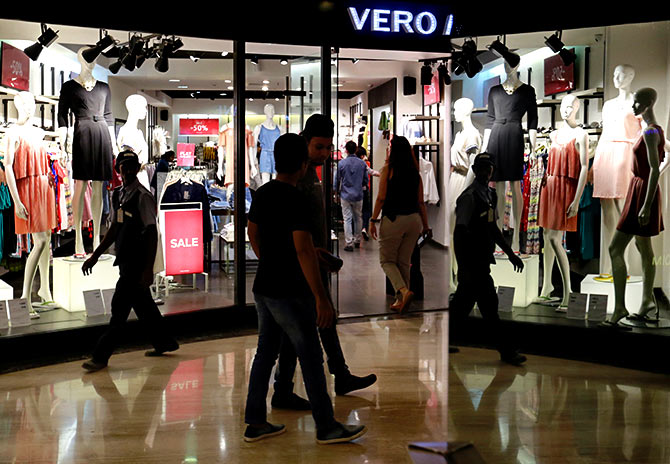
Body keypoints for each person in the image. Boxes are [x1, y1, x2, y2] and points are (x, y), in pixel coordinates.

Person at [244, 133, 367, 444]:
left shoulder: (263, 193)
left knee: (264, 354)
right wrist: (321, 297)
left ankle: (255, 421)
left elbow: (254, 234)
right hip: (291, 290)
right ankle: (326, 426)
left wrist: (274, 259)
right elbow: (301, 248)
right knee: (310, 356)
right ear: (302, 163)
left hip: (264, 286)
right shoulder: (296, 197)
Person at [272, 115, 377, 410]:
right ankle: (299, 391)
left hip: (314, 259)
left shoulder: (311, 175)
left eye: (327, 148)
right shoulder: (296, 179)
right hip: (303, 265)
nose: (323, 154)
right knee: (308, 326)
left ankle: (334, 376)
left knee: (321, 321)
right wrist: (311, 256)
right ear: (305, 142)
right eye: (318, 147)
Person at [81, 150, 178, 372]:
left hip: (137, 264)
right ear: (118, 169)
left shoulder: (143, 196)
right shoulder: (118, 195)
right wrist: (95, 256)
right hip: (124, 260)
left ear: (137, 168)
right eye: (123, 166)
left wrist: (148, 270)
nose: (126, 170)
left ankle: (100, 356)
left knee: (119, 310)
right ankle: (165, 342)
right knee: (144, 307)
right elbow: (114, 228)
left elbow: (153, 234)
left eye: (131, 165)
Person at [449, 152, 526, 366]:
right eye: (481, 168)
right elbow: (460, 232)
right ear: (474, 170)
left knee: (461, 308)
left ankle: (441, 341)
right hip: (473, 266)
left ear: (492, 171)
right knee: (489, 309)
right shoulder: (470, 196)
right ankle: (507, 351)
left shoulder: (490, 195)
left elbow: (493, 228)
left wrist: (511, 255)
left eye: (488, 168)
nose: (485, 172)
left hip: (481, 262)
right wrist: (463, 266)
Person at [369, 136, 430, 312]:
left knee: (387, 260)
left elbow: (381, 198)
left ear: (393, 150)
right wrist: (425, 226)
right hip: (414, 220)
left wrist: (373, 220)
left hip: (394, 218)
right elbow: (420, 203)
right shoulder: (415, 174)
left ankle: (402, 291)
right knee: (404, 260)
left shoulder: (388, 170)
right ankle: (400, 300)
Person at [335, 141, 368, 251]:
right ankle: (357, 240)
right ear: (356, 149)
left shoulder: (342, 163)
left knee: (347, 218)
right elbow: (365, 180)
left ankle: (349, 243)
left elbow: (337, 179)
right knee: (358, 218)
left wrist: (335, 192)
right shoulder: (362, 164)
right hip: (358, 194)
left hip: (345, 194)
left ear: (346, 150)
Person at [357, 147, 379, 241]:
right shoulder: (363, 164)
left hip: (352, 191)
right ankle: (364, 228)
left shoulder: (346, 163)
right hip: (364, 190)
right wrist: (382, 174)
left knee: (355, 213)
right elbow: (371, 172)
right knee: (366, 210)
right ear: (362, 155)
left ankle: (355, 234)